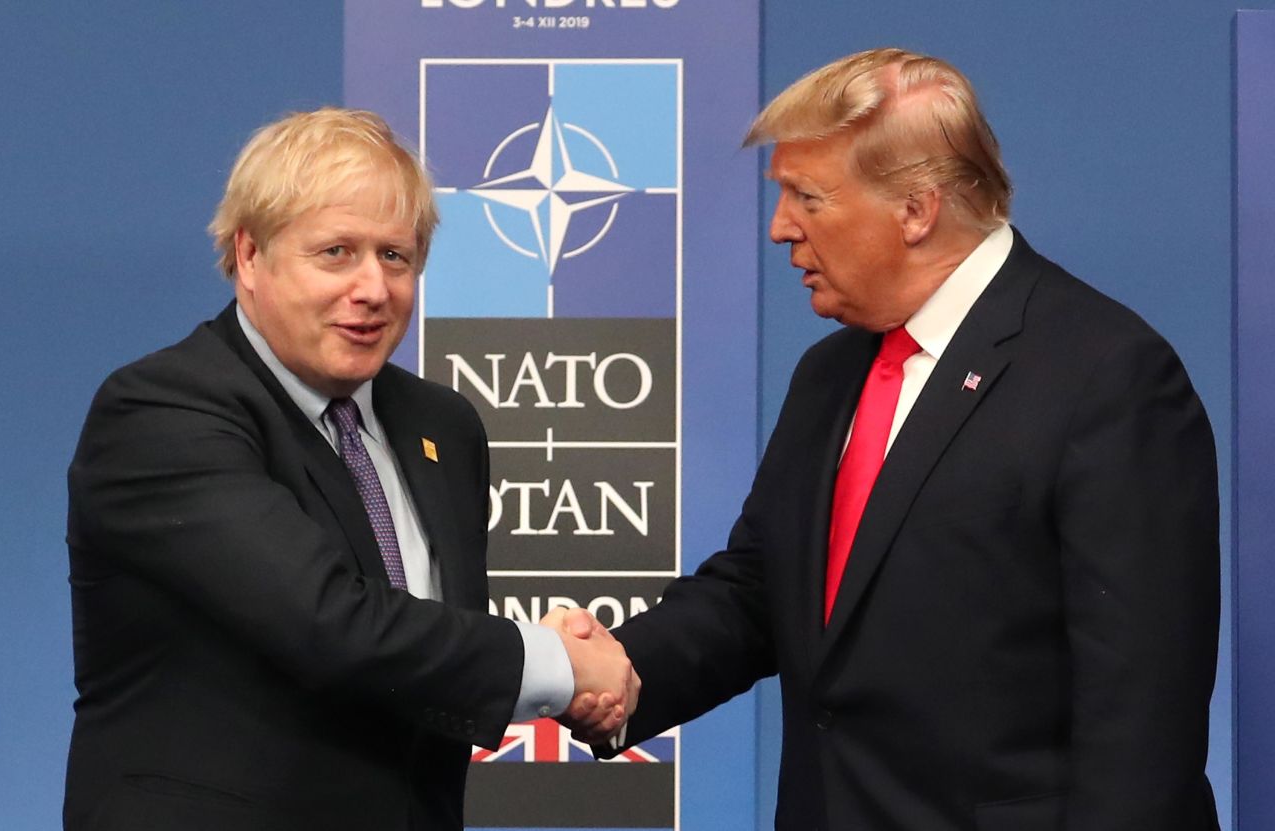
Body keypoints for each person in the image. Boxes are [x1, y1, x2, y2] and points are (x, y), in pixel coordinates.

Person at [567, 48, 1222, 830]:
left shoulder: (1108, 376)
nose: (781, 229)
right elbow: (759, 591)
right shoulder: (830, 373)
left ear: (917, 209)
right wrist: (620, 671)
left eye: (807, 197)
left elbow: (1141, 726)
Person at [64, 107, 636, 831]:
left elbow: (426, 646)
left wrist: (562, 666)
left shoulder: (442, 426)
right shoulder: (162, 412)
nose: (372, 288)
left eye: (394, 256)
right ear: (248, 256)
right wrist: (556, 665)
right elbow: (328, 622)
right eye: (336, 252)